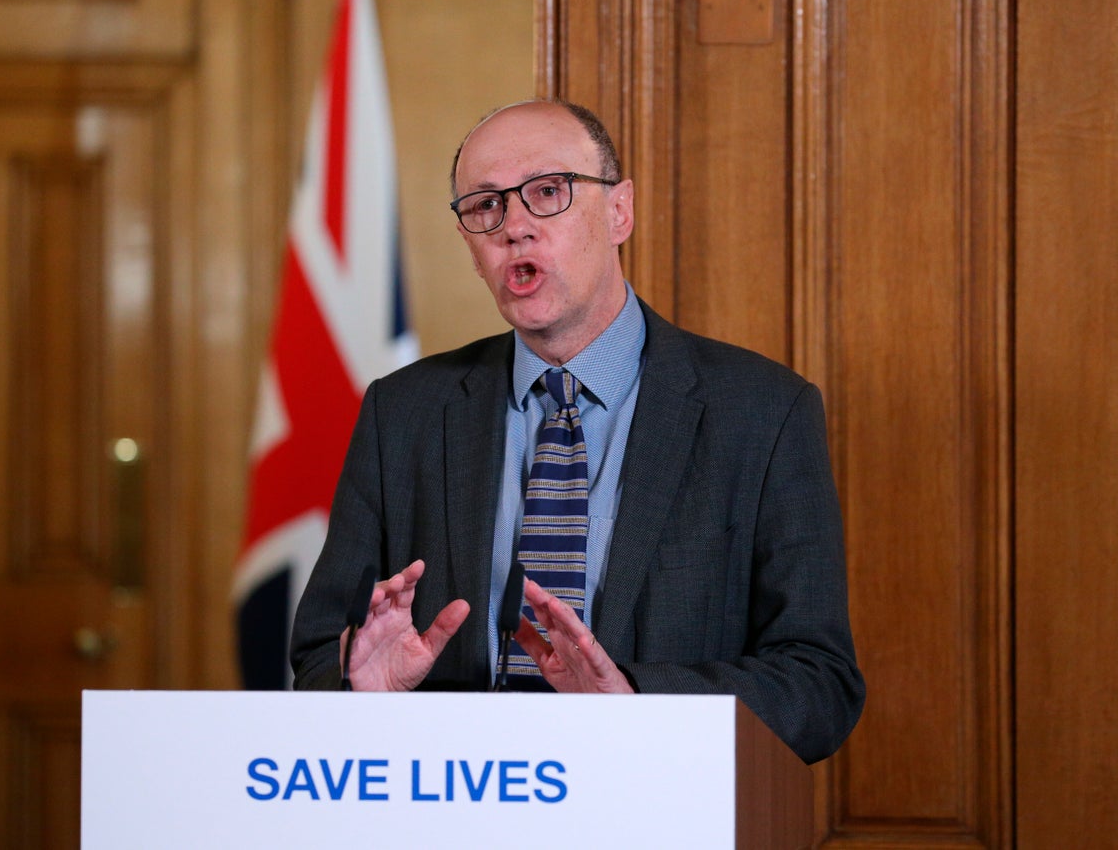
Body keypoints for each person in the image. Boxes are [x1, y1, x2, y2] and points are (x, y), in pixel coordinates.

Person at [291, 98, 864, 764]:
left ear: (619, 212)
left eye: (548, 192)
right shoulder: (404, 412)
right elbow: (318, 651)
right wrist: (362, 685)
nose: (515, 228)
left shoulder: (764, 411)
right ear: (471, 246)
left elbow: (819, 683)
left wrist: (634, 702)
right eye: (486, 206)